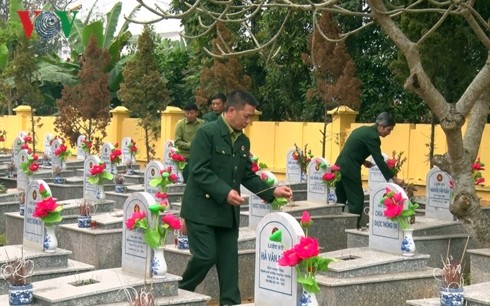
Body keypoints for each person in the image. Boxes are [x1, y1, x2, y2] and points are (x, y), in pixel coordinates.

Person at [178, 90, 292, 305]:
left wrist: (272, 191)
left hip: (226, 213)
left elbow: (246, 175)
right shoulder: (206, 133)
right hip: (201, 210)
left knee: (230, 266)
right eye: (246, 116)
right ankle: (180, 292)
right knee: (205, 256)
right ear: (231, 111)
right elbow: (199, 170)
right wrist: (225, 191)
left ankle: (230, 303)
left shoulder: (242, 141)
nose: (249, 121)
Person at [335, 112, 405, 229]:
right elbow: (379, 159)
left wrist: (363, 161)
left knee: (341, 199)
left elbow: (353, 148)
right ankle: (353, 228)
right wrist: (394, 178)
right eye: (388, 130)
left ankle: (338, 226)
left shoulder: (363, 130)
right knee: (357, 199)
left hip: (340, 165)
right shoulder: (373, 137)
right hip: (350, 168)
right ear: (380, 126)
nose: (389, 133)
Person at [174, 102, 205, 182]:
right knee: (187, 180)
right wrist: (190, 145)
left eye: (192, 113)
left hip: (199, 156)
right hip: (186, 157)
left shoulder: (202, 124)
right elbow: (177, 141)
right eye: (187, 113)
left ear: (197, 113)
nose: (189, 115)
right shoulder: (180, 125)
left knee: (199, 179)